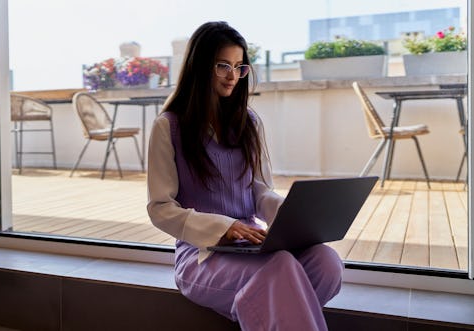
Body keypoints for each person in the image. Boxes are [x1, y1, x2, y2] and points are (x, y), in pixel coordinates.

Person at [147, 21, 343, 331]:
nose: (232, 76)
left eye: (239, 67)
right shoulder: (168, 127)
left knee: (327, 262)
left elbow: (261, 191)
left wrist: (291, 218)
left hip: (252, 244)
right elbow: (160, 208)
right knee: (279, 268)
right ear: (201, 67)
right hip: (201, 255)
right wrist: (225, 227)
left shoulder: (250, 122)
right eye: (222, 65)